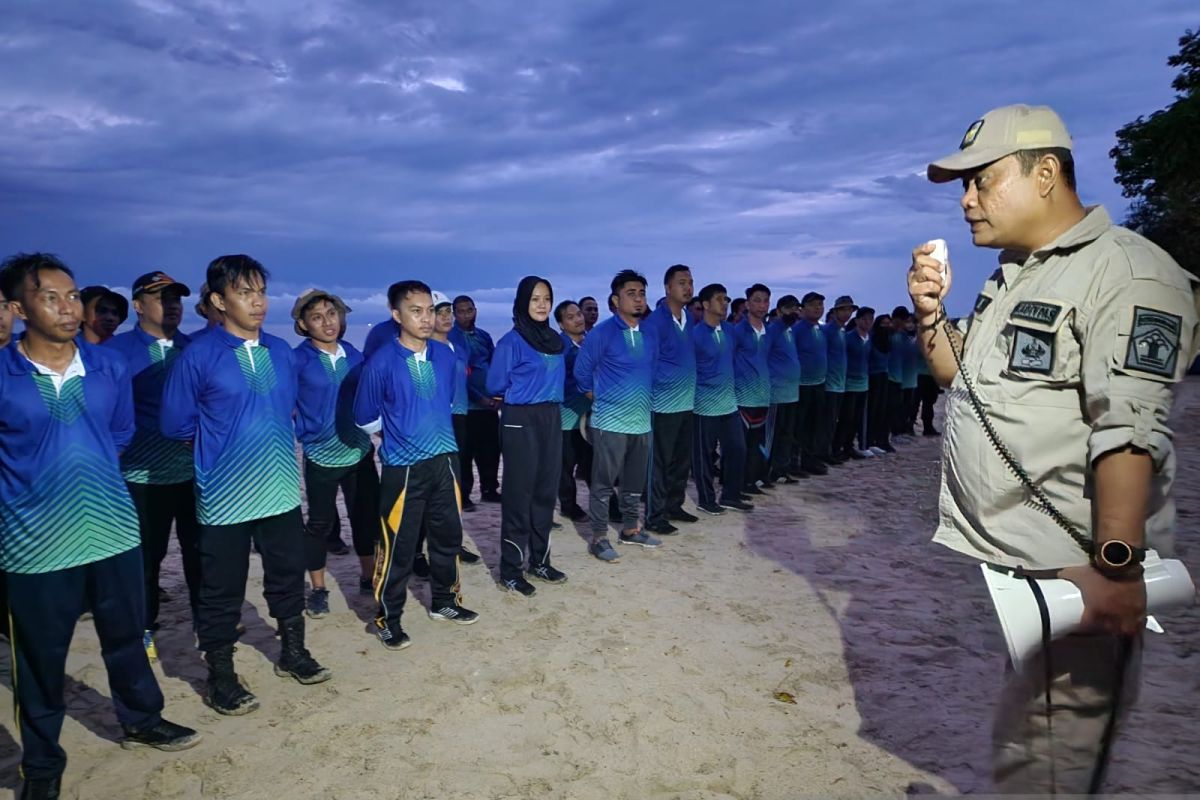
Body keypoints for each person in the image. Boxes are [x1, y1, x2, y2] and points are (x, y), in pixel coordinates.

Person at [911, 103, 1199, 794]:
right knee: (1032, 742)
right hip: (1030, 581)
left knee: (1047, 768)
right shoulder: (1018, 274)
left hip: (1084, 578)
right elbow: (960, 377)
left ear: (1046, 174)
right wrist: (929, 315)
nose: (967, 199)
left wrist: (1117, 567)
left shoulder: (1126, 274)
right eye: (963, 185)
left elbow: (1130, 429)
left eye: (982, 180)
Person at [0, 253, 200, 800]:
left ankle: (142, 718)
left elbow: (117, 435)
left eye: (72, 296)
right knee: (40, 662)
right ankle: (42, 765)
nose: (68, 308)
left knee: (125, 638)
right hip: (34, 546)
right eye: (50, 297)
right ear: (18, 308)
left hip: (113, 530)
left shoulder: (107, 366)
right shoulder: (3, 373)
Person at [162, 255, 331, 716]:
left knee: (285, 575)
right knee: (221, 588)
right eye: (244, 292)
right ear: (219, 300)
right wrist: (225, 441)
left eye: (260, 292)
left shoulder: (280, 351)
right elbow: (175, 423)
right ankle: (221, 675)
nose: (256, 302)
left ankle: (292, 652)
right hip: (223, 498)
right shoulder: (198, 354)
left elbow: (290, 407)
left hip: (279, 489)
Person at [354, 280, 480, 649]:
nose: (426, 319)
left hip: (445, 460)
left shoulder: (445, 355)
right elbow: (364, 416)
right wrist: (397, 434)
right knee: (399, 546)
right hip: (404, 467)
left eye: (430, 310)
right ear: (396, 315)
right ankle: (387, 618)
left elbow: (443, 402)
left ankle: (445, 601)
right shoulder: (380, 361)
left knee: (447, 538)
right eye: (416, 311)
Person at [104, 271, 200, 659]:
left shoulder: (193, 349)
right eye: (161, 298)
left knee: (200, 553)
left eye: (176, 298)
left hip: (192, 473)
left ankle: (204, 619)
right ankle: (144, 626)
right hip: (140, 475)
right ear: (139, 305)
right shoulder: (117, 353)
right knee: (146, 558)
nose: (172, 304)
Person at [291, 289, 380, 615]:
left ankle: (368, 577)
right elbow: (284, 404)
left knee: (365, 519)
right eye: (316, 316)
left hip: (359, 452)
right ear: (303, 323)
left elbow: (373, 395)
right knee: (319, 524)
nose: (327, 322)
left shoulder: (354, 355)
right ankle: (318, 588)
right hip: (320, 455)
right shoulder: (297, 359)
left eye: (332, 313)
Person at [487, 277, 567, 595]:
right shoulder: (511, 342)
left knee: (546, 492)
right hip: (520, 418)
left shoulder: (556, 340)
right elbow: (494, 385)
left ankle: (540, 561)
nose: (542, 304)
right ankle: (510, 569)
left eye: (546, 298)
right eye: (535, 299)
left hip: (551, 416)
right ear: (522, 302)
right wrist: (522, 392)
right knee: (519, 495)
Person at [574, 269, 661, 562]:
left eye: (641, 294)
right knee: (603, 483)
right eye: (631, 294)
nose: (638, 299)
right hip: (609, 422)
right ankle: (599, 536)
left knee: (634, 482)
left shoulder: (649, 333)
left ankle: (630, 529)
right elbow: (581, 372)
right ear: (615, 300)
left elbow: (653, 370)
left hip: (641, 422)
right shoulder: (602, 333)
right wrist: (594, 395)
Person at [642, 265, 698, 535]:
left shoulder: (688, 319)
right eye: (681, 283)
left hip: (687, 403)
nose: (688, 288)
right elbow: (647, 364)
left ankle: (674, 505)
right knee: (660, 463)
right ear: (667, 288)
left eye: (690, 282)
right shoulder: (655, 322)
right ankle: (654, 515)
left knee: (680, 460)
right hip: (662, 405)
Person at [691, 283, 752, 514]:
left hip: (729, 404)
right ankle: (706, 500)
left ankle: (730, 496)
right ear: (706, 304)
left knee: (737, 449)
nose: (725, 303)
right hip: (704, 406)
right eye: (719, 299)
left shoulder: (729, 331)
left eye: (726, 299)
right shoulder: (695, 335)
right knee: (704, 456)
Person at [454, 295, 502, 504]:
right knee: (465, 452)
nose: (466, 315)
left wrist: (497, 395)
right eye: (462, 311)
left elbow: (494, 364)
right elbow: (459, 375)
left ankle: (489, 489)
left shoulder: (483, 336)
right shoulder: (452, 339)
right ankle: (463, 494)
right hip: (467, 406)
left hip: (490, 405)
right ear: (455, 314)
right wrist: (480, 398)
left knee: (491, 449)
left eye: (469, 310)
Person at [733, 283, 772, 494]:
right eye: (756, 300)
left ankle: (750, 482)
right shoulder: (738, 331)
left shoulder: (770, 332)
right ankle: (736, 485)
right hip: (741, 397)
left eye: (765, 300)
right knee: (740, 446)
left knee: (757, 444)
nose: (762, 305)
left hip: (762, 396)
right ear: (747, 304)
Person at [555, 300, 591, 520]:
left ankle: (608, 505)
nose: (578, 319)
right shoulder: (560, 348)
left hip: (589, 417)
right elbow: (560, 382)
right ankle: (569, 506)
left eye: (579, 314)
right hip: (566, 418)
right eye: (570, 317)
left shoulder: (591, 343)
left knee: (593, 464)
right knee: (566, 467)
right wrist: (583, 388)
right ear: (561, 324)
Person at [765, 294, 802, 482]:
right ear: (779, 311)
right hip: (776, 394)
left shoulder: (790, 331)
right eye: (789, 308)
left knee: (787, 434)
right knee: (773, 435)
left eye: (796, 308)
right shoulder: (772, 330)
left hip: (791, 393)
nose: (793, 311)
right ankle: (766, 471)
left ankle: (781, 470)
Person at [791, 292, 828, 477]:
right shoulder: (798, 330)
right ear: (803, 308)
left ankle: (810, 459)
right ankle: (795, 462)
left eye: (820, 305)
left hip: (819, 384)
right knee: (801, 425)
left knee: (815, 424)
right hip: (802, 385)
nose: (817, 308)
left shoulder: (820, 330)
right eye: (813, 305)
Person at [837, 305, 875, 459]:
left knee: (857, 418)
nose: (867, 322)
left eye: (870, 319)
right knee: (846, 417)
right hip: (849, 383)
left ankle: (849, 446)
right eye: (864, 319)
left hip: (863, 383)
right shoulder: (849, 337)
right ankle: (838, 446)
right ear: (857, 320)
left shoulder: (869, 338)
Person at [821, 295, 855, 465]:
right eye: (843, 309)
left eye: (849, 310)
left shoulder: (843, 331)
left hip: (840, 383)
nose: (847, 313)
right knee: (826, 422)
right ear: (835, 312)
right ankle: (825, 453)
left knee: (835, 420)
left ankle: (832, 450)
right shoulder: (828, 330)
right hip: (829, 384)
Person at [866, 313, 894, 454]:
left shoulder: (888, 340)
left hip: (885, 376)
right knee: (873, 410)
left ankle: (882, 440)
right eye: (883, 323)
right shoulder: (872, 338)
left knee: (884, 410)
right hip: (873, 377)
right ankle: (869, 441)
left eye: (889, 323)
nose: (887, 326)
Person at [885, 306, 912, 441]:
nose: (903, 324)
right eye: (902, 321)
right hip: (889, 377)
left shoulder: (902, 335)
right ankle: (891, 434)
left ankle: (897, 432)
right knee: (890, 407)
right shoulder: (888, 334)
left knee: (898, 406)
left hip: (900, 377)